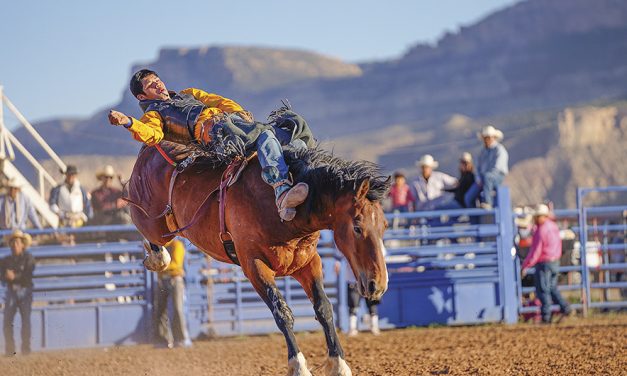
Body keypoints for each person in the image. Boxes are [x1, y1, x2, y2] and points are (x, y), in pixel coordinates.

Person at [108, 69, 310, 222]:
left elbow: (219, 101)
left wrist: (238, 113)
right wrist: (129, 122)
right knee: (264, 135)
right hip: (217, 136)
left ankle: (306, 176)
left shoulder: (189, 93)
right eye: (151, 85)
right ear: (142, 97)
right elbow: (152, 135)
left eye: (157, 80)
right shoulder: (153, 114)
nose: (158, 85)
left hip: (234, 124)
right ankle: (282, 192)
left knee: (295, 126)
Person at [521, 204, 572, 324]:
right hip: (555, 261)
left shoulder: (541, 230)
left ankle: (546, 316)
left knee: (543, 290)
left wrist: (526, 265)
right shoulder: (553, 226)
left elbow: (536, 251)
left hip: (544, 262)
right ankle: (565, 308)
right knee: (552, 288)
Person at [1, 230, 36, 356]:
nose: (15, 245)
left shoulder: (29, 258)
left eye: (17, 242)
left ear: (22, 244)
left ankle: (25, 349)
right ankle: (10, 350)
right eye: (13, 242)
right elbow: (2, 277)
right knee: (7, 321)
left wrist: (13, 276)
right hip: (12, 291)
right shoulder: (5, 261)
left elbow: (27, 275)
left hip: (25, 291)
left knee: (25, 321)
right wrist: (6, 276)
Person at [154, 238, 192, 348]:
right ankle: (162, 339)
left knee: (177, 309)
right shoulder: (161, 248)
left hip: (174, 279)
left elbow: (176, 263)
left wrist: (159, 266)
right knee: (160, 310)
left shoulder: (177, 245)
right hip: (163, 279)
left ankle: (181, 338)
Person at [467, 125, 508, 209]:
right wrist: (478, 178)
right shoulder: (483, 152)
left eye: (489, 137)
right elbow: (478, 167)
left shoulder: (499, 150)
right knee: (468, 197)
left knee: (488, 177)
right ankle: (474, 218)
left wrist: (485, 176)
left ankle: (487, 202)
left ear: (494, 138)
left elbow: (498, 167)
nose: (487, 140)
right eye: (485, 138)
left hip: (497, 176)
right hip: (483, 177)